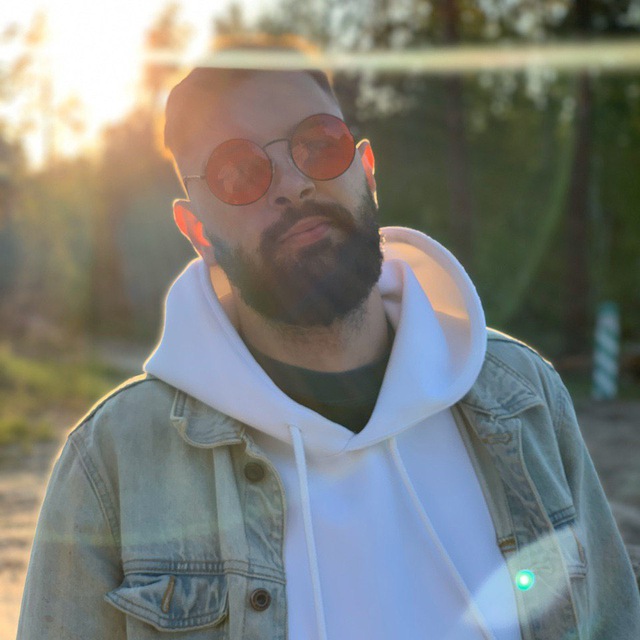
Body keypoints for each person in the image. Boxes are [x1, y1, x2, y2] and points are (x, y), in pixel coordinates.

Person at [18, 61, 640, 640]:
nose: (293, 184)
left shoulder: (524, 397)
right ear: (198, 230)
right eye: (237, 172)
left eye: (318, 144)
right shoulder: (114, 460)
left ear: (366, 170)